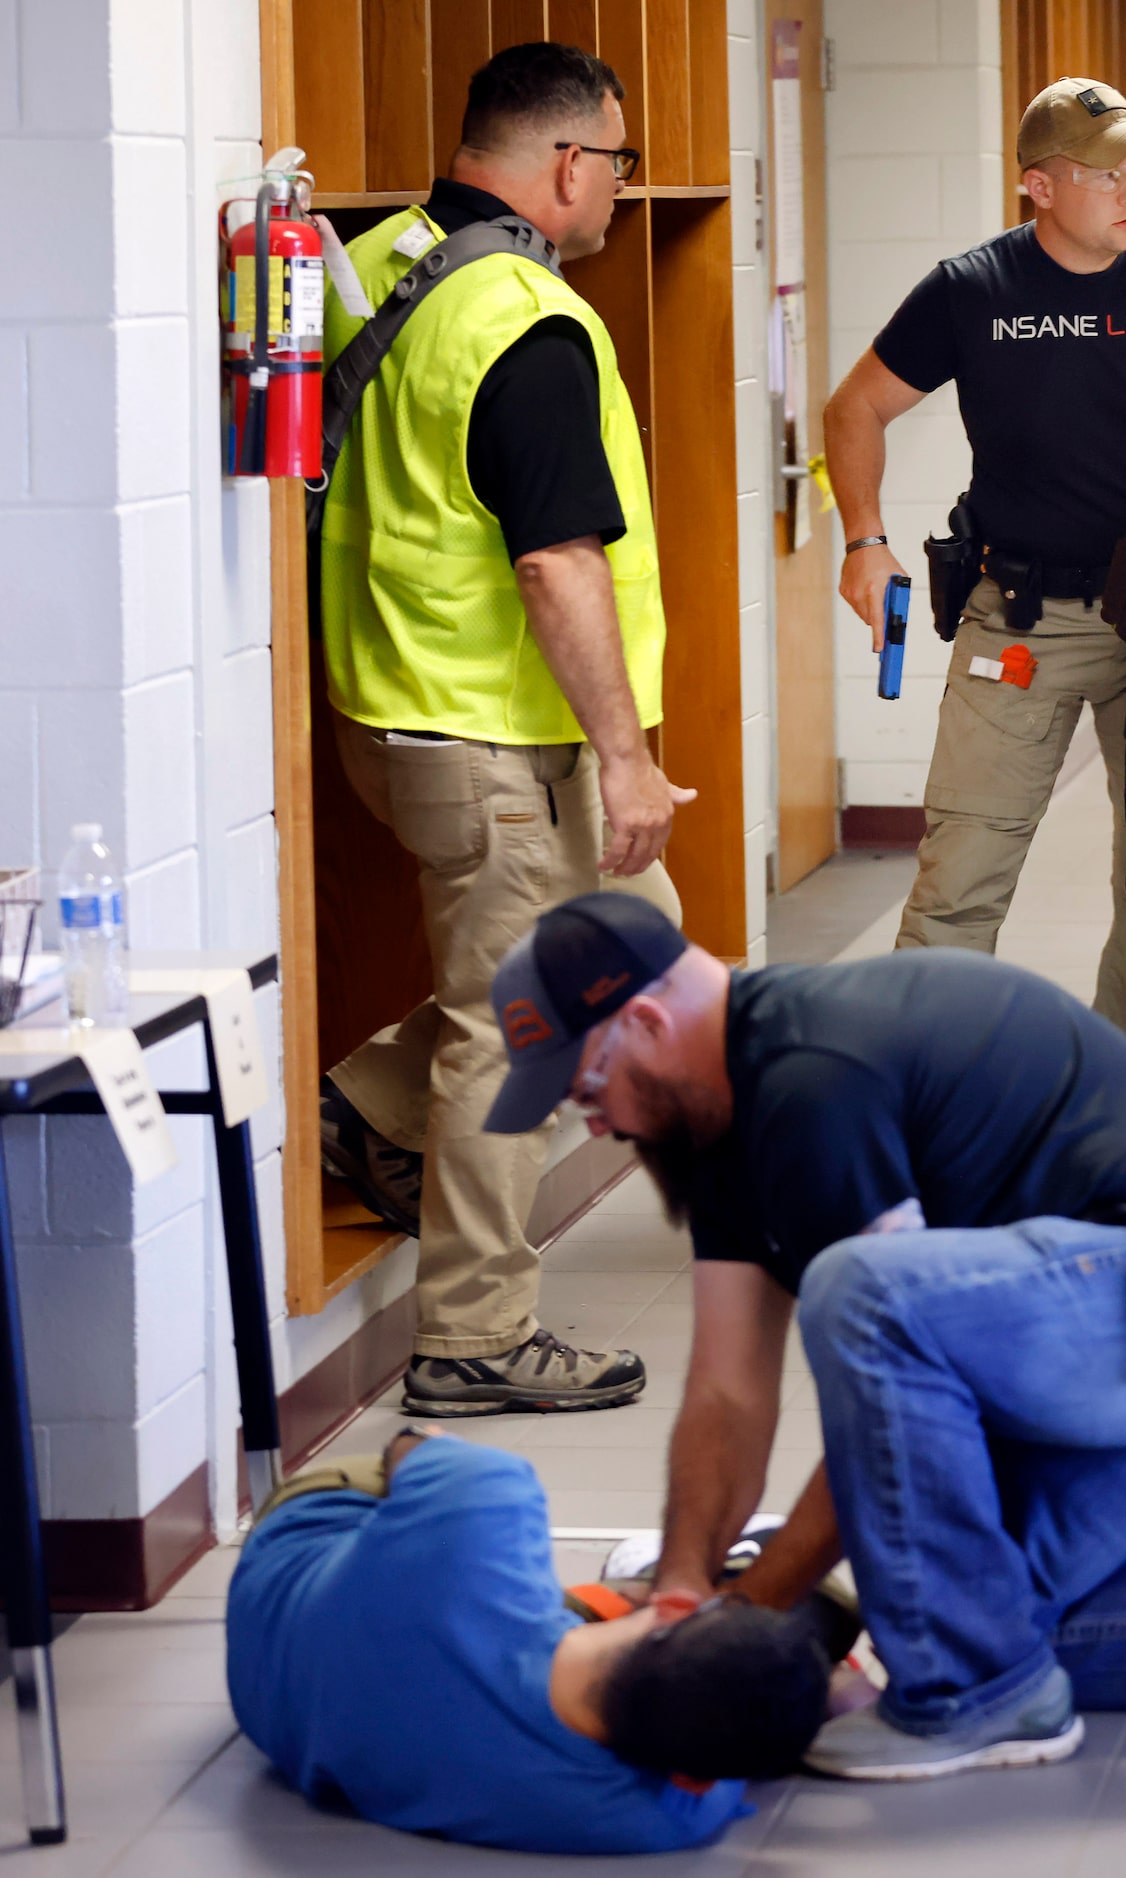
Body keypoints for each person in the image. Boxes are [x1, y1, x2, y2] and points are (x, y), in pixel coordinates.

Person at [478, 891, 1126, 1779]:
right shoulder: (727, 1123)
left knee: (860, 1297)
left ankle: (971, 1703)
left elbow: (883, 1354)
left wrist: (749, 1616)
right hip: (1125, 1324)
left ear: (646, 1020)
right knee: (971, 1615)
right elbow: (725, 1398)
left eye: (586, 1088)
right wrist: (685, 1593)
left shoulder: (809, 1081)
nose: (596, 1124)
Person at [313, 41, 690, 1416]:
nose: (621, 195)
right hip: (483, 730)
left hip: (403, 704)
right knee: (514, 1024)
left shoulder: (389, 260)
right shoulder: (527, 318)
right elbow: (556, 564)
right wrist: (629, 754)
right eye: (620, 164)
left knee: (636, 943)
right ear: (569, 163)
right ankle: (473, 1335)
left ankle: (370, 1104)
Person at [824, 79, 1126, 1044]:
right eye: (1105, 173)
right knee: (960, 876)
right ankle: (921, 1096)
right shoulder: (974, 289)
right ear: (1038, 188)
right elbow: (855, 408)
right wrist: (863, 540)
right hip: (1020, 618)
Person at [226, 1425, 827, 1853]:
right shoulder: (652, 1824)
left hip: (303, 1550)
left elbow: (410, 1445)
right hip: (269, 1703)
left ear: (673, 1609)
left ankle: (631, 1586)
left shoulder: (488, 1504)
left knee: (423, 1470)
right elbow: (719, 1777)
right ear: (691, 1778)